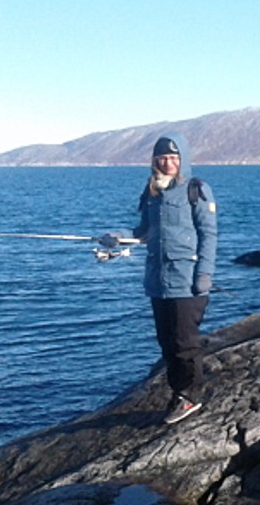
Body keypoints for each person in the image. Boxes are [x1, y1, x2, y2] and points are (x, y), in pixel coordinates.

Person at [102, 133, 218, 424]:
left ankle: (191, 397)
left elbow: (209, 234)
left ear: (183, 160)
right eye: (161, 158)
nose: (167, 163)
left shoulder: (196, 189)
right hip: (158, 281)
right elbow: (143, 230)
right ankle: (179, 392)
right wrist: (119, 237)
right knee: (166, 341)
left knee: (185, 342)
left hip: (187, 280)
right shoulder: (152, 191)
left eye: (173, 158)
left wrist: (204, 274)